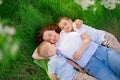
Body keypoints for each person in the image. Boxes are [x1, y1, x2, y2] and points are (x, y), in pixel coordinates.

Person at [33, 24, 120, 80]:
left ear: (52, 29)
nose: (52, 38)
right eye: (49, 40)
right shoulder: (56, 49)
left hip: (100, 51)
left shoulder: (66, 30)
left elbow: (74, 23)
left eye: (50, 34)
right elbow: (35, 55)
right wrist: (45, 44)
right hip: (91, 65)